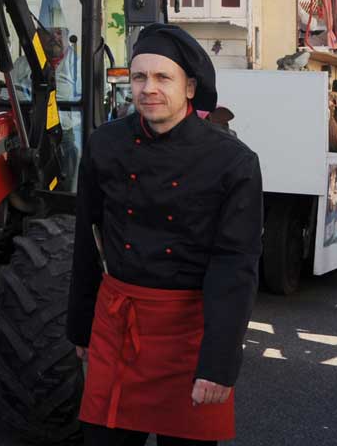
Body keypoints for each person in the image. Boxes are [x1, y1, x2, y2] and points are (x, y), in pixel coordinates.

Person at [68, 23, 263, 446]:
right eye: (139, 77)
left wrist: (219, 362)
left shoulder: (233, 161)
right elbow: (87, 239)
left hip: (189, 333)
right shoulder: (105, 144)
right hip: (119, 325)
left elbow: (235, 266)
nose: (148, 88)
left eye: (162, 77)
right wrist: (81, 327)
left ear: (190, 87)